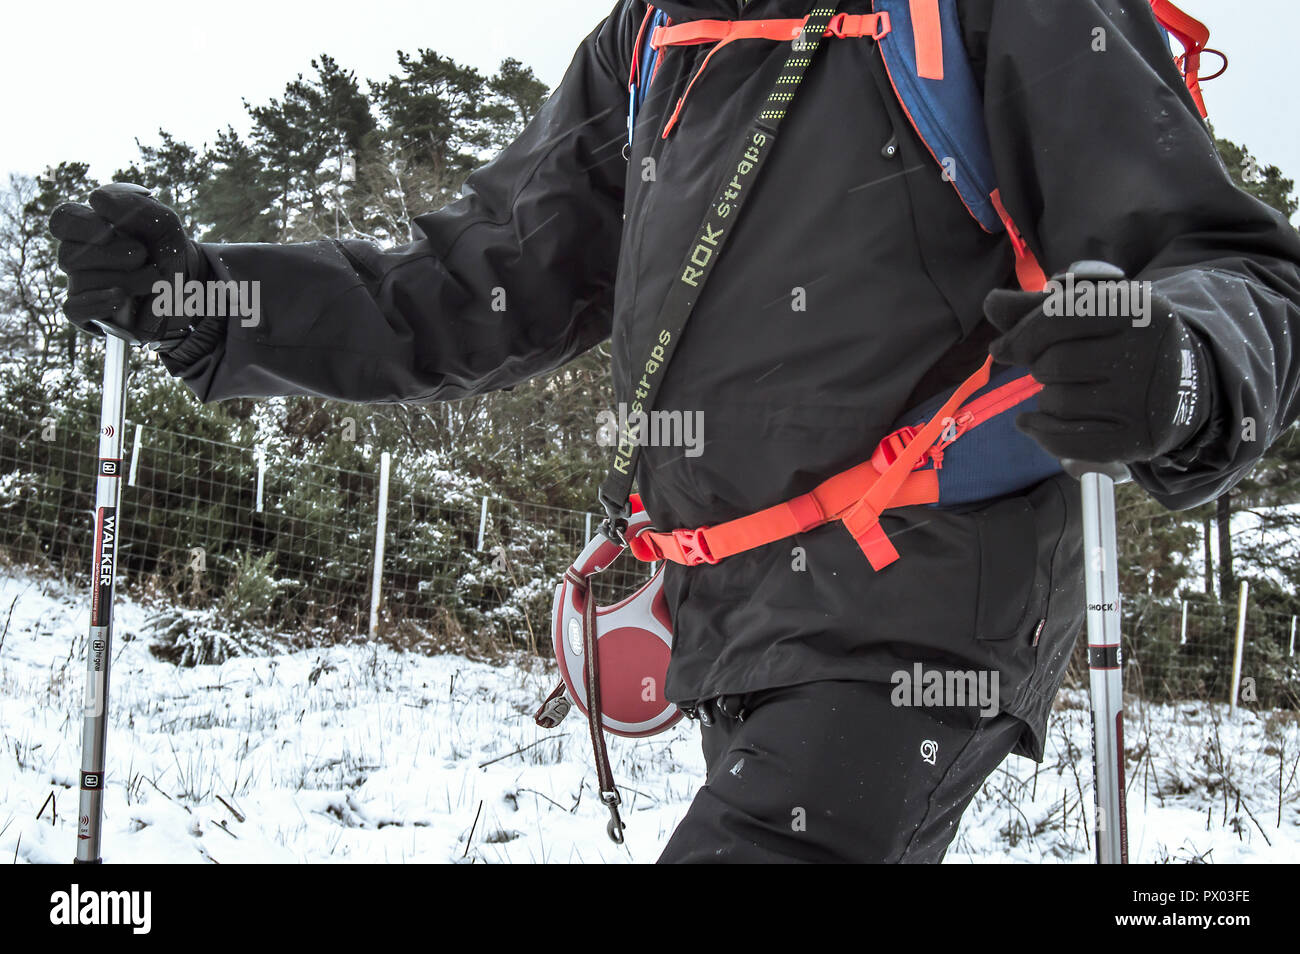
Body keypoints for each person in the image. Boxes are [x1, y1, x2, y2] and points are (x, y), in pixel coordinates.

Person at [50, 0, 1300, 863]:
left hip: (923, 603)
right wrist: (205, 295)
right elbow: (475, 284)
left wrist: (1180, 372)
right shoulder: (657, 36)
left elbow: (1228, 266)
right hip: (723, 616)